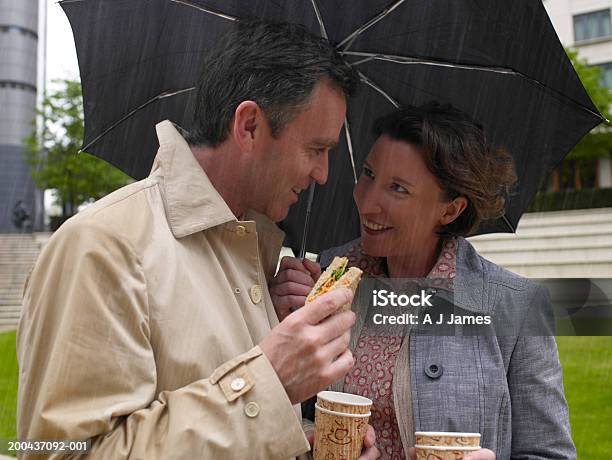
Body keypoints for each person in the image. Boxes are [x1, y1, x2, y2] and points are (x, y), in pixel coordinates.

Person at [17, 20, 380, 460]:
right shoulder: (103, 246)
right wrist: (271, 380)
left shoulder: (262, 258)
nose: (323, 173)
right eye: (316, 148)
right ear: (248, 126)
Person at [270, 103, 576, 459]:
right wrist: (276, 320)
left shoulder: (516, 307)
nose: (367, 203)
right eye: (369, 173)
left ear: (450, 210)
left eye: (398, 188)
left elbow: (551, 453)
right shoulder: (325, 280)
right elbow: (279, 415)